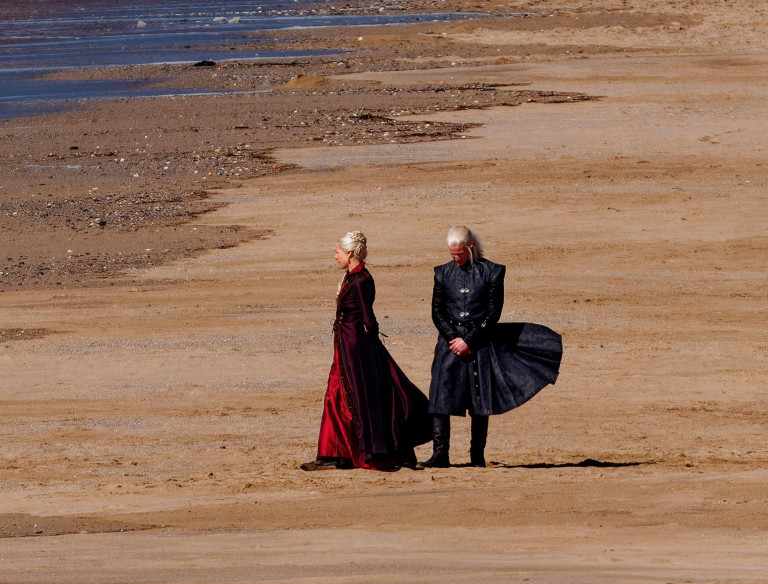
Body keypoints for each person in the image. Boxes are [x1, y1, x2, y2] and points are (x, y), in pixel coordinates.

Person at [302, 231, 431, 471]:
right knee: (335, 395)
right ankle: (334, 452)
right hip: (345, 346)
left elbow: (369, 319)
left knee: (358, 398)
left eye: (337, 252)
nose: (334, 256)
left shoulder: (361, 280)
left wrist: (368, 336)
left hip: (356, 348)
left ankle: (353, 453)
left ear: (350, 254)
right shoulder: (351, 277)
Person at [420, 225, 505, 468]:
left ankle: (476, 455)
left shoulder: (493, 272)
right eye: (452, 254)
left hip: (479, 343)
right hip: (449, 342)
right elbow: (437, 312)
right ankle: (440, 455)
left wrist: (470, 340)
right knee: (439, 396)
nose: (456, 258)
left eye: (460, 253)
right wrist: (453, 339)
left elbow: (493, 312)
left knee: (480, 399)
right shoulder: (442, 273)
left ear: (471, 247)